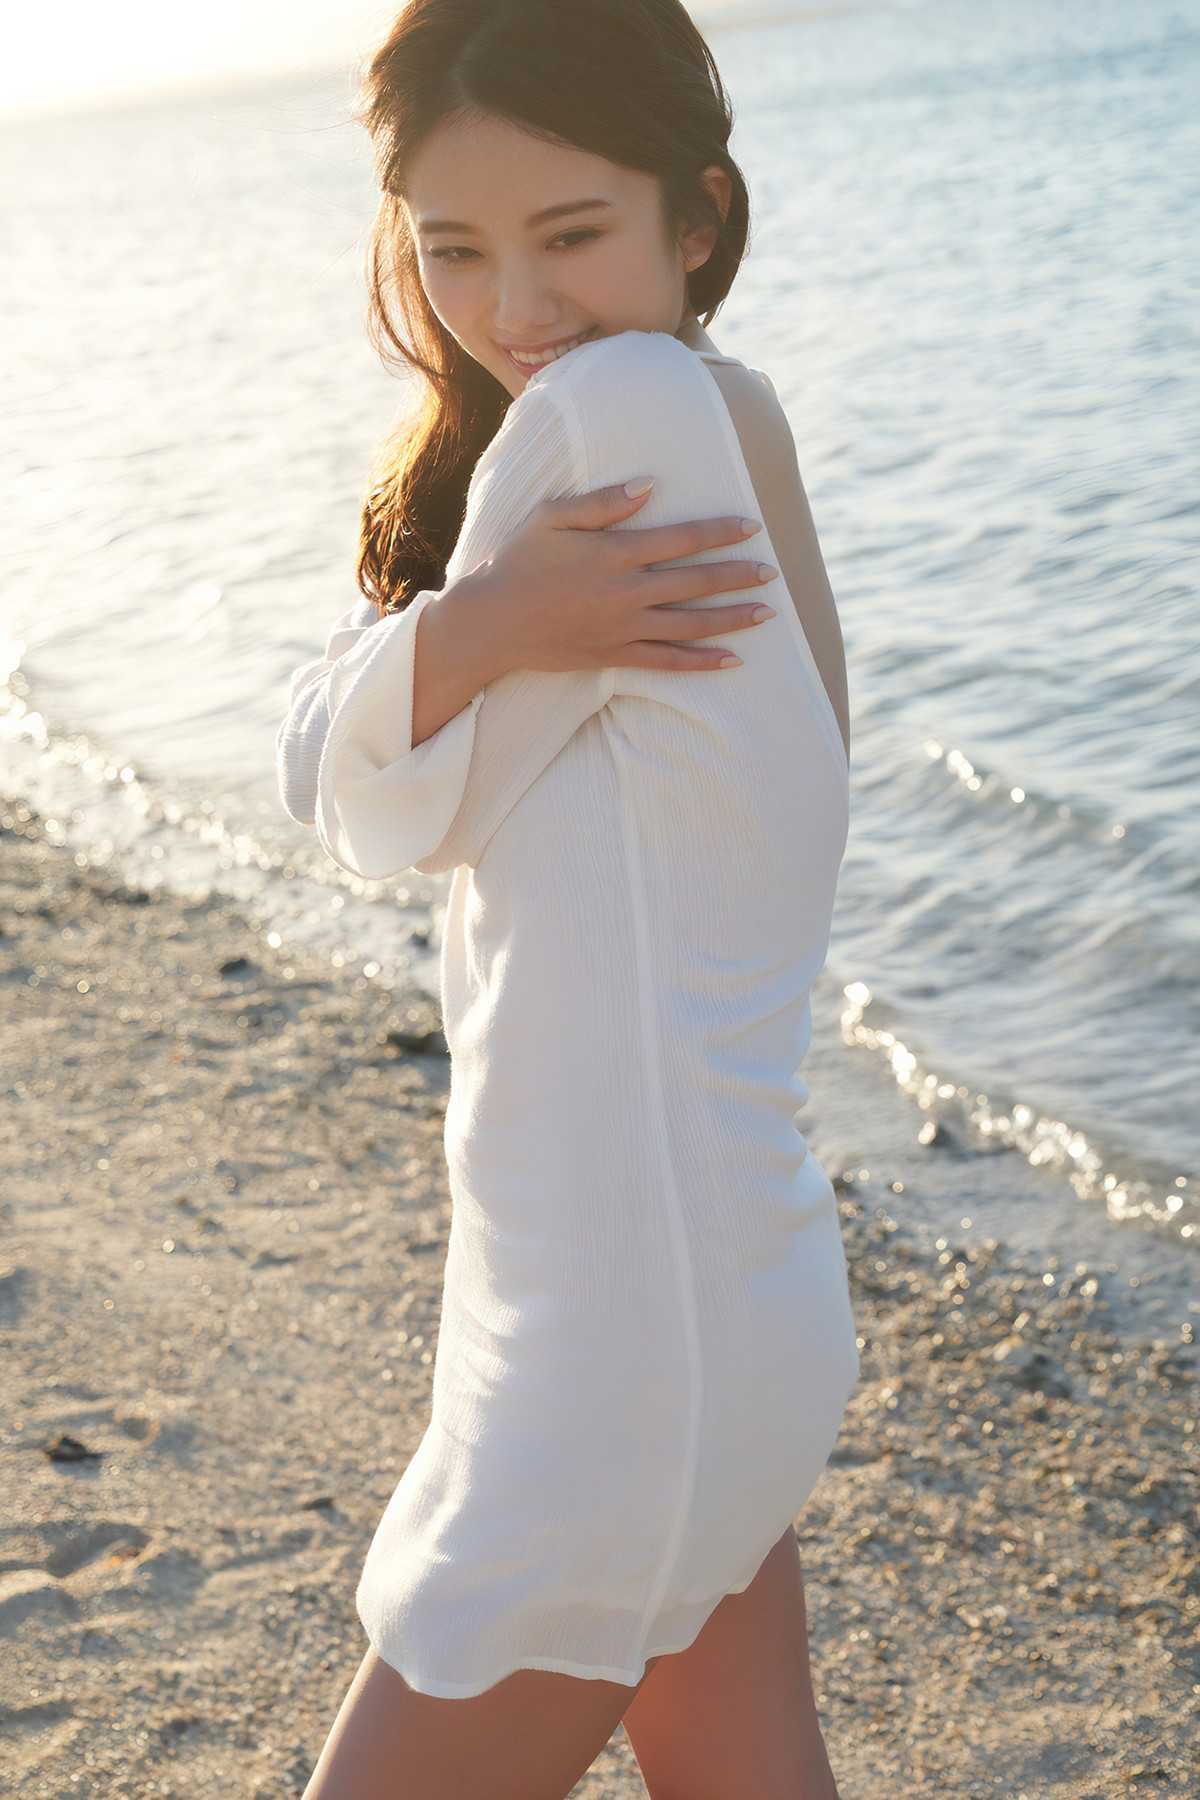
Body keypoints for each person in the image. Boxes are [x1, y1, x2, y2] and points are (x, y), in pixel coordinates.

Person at [277, 2, 856, 1794]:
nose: (515, 306)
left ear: (698, 212)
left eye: (572, 234)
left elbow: (369, 798)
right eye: (453, 248)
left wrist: (479, 628)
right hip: (703, 1281)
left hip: (627, 1331)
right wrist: (487, 625)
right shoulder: (720, 408)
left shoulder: (622, 413)